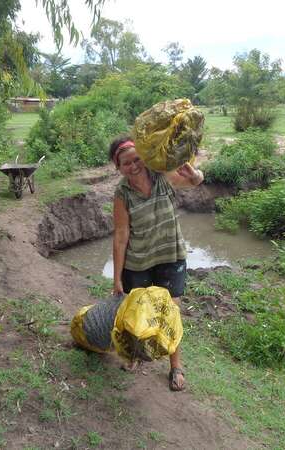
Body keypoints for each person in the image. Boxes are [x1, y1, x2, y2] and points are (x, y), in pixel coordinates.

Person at [110, 135, 204, 391]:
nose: (134, 166)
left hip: (170, 256)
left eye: (137, 159)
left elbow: (196, 182)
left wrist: (193, 173)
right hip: (138, 262)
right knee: (136, 314)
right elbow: (121, 236)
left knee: (170, 313)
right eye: (126, 163)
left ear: (144, 157)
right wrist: (117, 277)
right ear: (118, 168)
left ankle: (175, 366)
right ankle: (133, 357)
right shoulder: (122, 194)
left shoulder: (162, 176)